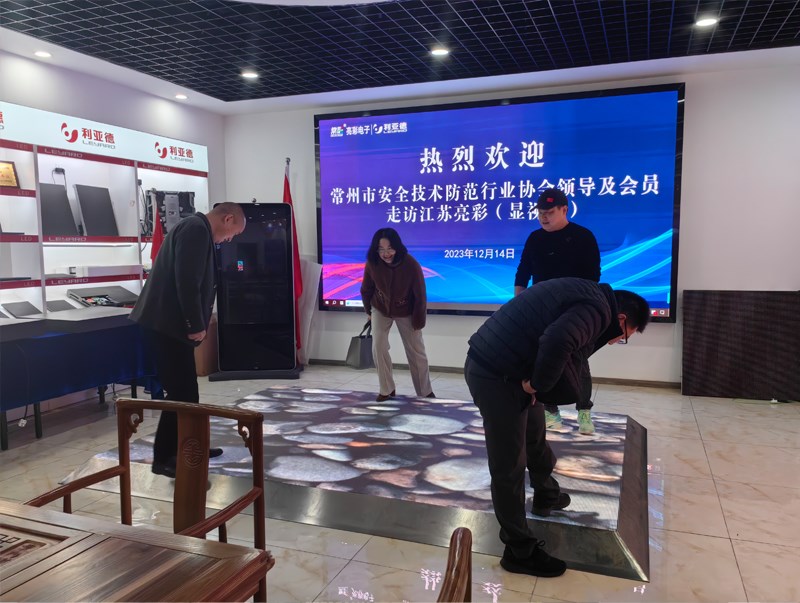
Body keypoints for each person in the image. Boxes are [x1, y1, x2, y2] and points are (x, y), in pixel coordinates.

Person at [464, 277, 650, 577]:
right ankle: (518, 551)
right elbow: (557, 341)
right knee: (508, 464)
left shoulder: (592, 298)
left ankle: (546, 494)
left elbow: (564, 348)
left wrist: (537, 385)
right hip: (494, 375)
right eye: (624, 336)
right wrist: (537, 384)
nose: (617, 341)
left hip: (511, 368)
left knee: (534, 435)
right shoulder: (597, 310)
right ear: (621, 318)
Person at [130, 202, 246, 478]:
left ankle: (191, 446)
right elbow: (187, 280)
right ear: (227, 219)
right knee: (181, 394)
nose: (230, 239)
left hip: (168, 325)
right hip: (165, 325)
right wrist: (195, 324)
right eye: (234, 233)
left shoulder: (197, 228)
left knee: (187, 392)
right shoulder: (195, 229)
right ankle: (165, 457)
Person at [514, 188, 601, 434]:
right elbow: (523, 272)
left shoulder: (583, 236)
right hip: (541, 309)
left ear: (564, 210)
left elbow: (593, 277)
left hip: (575, 310)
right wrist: (519, 304)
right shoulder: (535, 238)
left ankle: (584, 412)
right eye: (540, 213)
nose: (544, 217)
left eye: (549, 212)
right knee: (543, 360)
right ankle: (551, 412)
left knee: (578, 361)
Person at [360, 227, 433, 401]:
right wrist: (368, 311)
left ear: (397, 247)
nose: (386, 254)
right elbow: (366, 289)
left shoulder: (410, 263)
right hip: (380, 307)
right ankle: (387, 389)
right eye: (381, 249)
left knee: (416, 351)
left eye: (390, 249)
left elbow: (420, 294)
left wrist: (418, 320)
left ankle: (425, 392)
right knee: (378, 346)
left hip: (406, 309)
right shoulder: (372, 262)